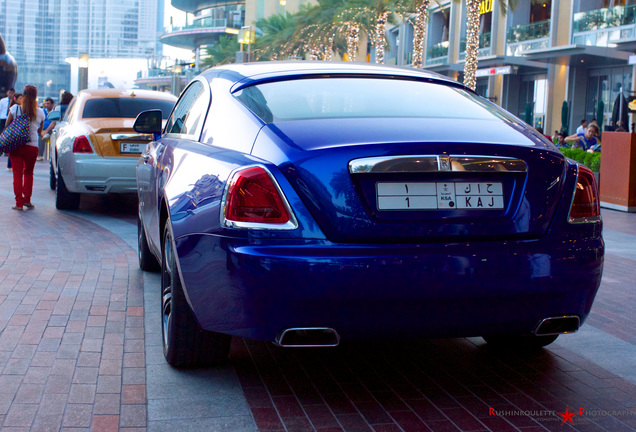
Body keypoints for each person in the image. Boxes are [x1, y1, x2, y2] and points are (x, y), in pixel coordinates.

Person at [5, 85, 45, 211]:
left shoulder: (15, 108)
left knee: (17, 174)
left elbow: (7, 124)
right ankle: (27, 200)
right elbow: (40, 130)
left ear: (23, 94)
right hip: (32, 146)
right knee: (28, 173)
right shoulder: (40, 112)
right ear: (35, 96)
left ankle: (19, 203)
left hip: (16, 146)